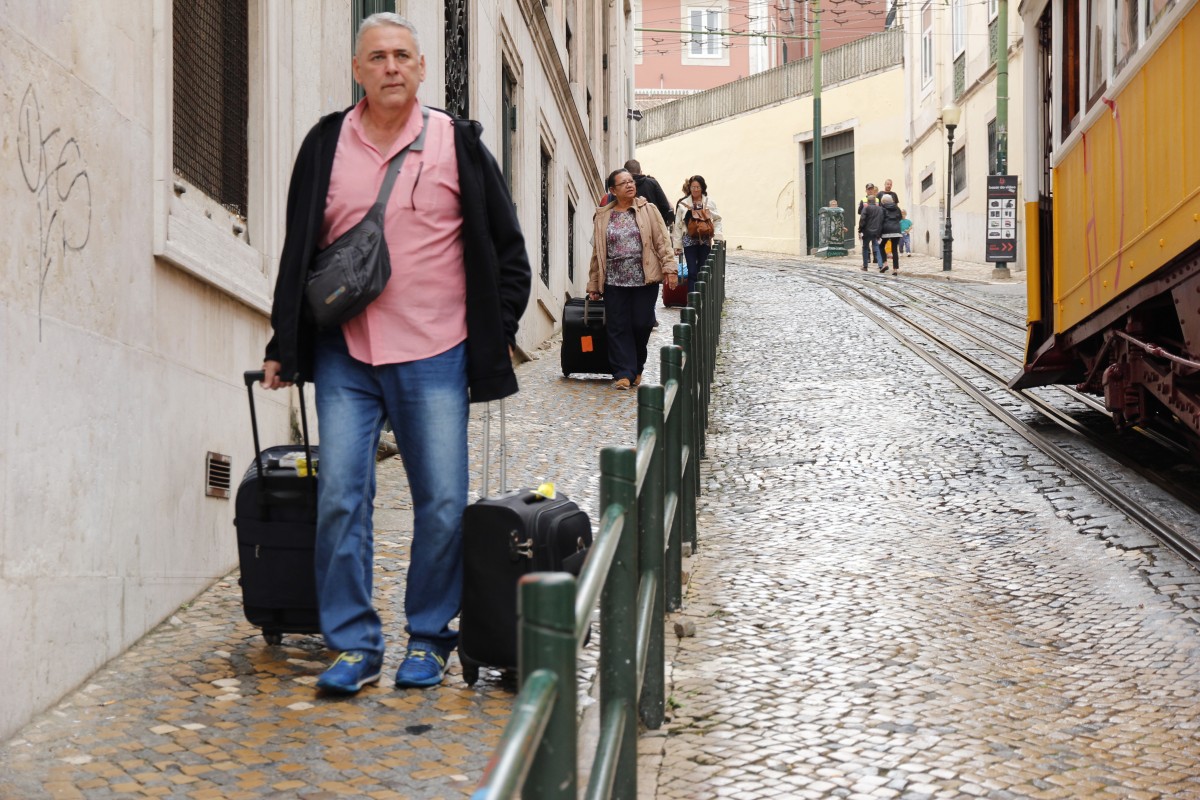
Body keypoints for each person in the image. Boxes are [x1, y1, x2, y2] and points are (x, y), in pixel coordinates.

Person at [258, 13, 532, 694]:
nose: (389, 67)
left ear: (420, 68)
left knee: (440, 502)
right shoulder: (326, 144)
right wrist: (283, 345)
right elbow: (299, 254)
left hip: (436, 351)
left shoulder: (457, 145)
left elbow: (509, 253)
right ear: (357, 69)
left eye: (401, 56)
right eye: (376, 56)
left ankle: (430, 637)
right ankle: (353, 644)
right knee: (341, 500)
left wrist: (490, 335)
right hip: (346, 356)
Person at [588, 169, 677, 390]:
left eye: (631, 182)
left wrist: (670, 269)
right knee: (618, 327)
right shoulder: (603, 216)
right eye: (624, 183)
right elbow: (597, 253)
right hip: (614, 280)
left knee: (642, 323)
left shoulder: (649, 210)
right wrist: (594, 284)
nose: (630, 185)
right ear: (613, 190)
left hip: (643, 279)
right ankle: (623, 373)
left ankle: (637, 365)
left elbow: (662, 242)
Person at [671, 175, 723, 293]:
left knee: (702, 269)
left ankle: (702, 298)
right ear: (689, 188)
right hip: (689, 239)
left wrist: (718, 235)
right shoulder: (683, 204)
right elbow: (678, 225)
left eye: (697, 187)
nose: (695, 190)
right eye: (693, 187)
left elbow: (717, 219)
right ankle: (691, 301)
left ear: (702, 188)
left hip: (704, 239)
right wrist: (677, 245)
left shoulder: (709, 203)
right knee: (692, 270)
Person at [623, 159, 674, 226]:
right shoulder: (652, 183)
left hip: (630, 227)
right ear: (640, 172)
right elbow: (665, 206)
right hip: (653, 226)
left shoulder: (621, 187)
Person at [879, 194, 903, 274]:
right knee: (894, 249)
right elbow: (900, 217)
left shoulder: (882, 209)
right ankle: (895, 269)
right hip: (896, 229)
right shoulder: (897, 207)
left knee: (881, 246)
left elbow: (881, 219)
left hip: (886, 229)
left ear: (883, 201)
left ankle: (885, 263)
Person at [859, 195, 884, 271]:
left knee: (865, 248)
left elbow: (862, 219)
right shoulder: (880, 209)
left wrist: (860, 230)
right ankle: (880, 265)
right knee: (877, 247)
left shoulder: (866, 208)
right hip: (876, 231)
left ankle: (865, 266)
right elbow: (882, 220)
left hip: (867, 231)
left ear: (868, 201)